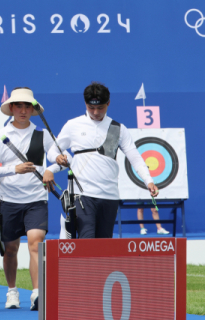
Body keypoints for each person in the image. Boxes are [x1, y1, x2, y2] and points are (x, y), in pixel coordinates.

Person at [0, 87, 68, 311]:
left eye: (27, 106)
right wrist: (15, 169)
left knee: (36, 243)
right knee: (10, 249)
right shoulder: (0, 137)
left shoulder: (42, 135)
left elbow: (58, 159)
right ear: (11, 108)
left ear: (33, 110)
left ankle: (37, 293)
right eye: (18, 106)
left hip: (36, 200)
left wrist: (53, 167)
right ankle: (12, 291)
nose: (23, 110)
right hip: (8, 201)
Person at [47, 81, 159, 239]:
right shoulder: (73, 125)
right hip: (82, 194)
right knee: (86, 240)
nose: (95, 112)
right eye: (91, 107)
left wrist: (149, 180)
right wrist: (57, 158)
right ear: (85, 104)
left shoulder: (118, 129)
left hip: (109, 196)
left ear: (108, 103)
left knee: (103, 244)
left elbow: (135, 157)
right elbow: (52, 151)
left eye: (100, 107)